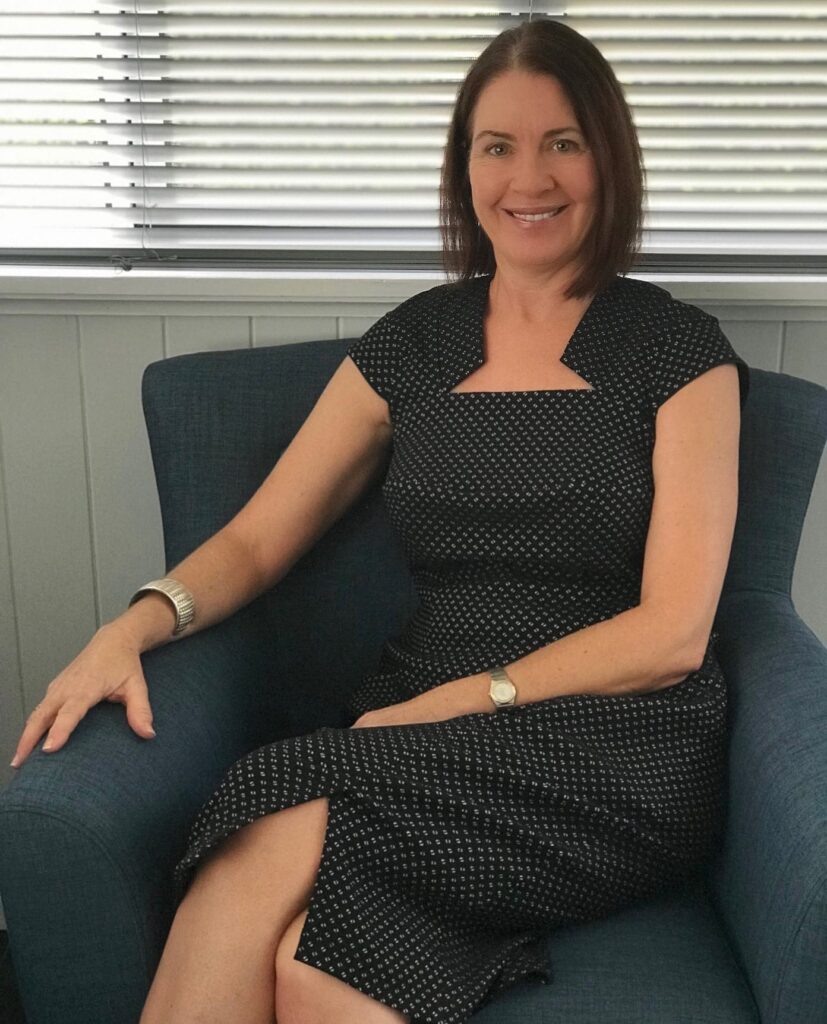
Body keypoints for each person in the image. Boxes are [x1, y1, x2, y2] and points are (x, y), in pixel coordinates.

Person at [10, 16, 750, 1024]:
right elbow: (257, 538)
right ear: (463, 168)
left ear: (608, 160)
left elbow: (671, 635)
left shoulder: (677, 351)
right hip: (422, 724)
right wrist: (131, 626)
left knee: (271, 814)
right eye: (497, 146)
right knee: (309, 968)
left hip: (616, 740)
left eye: (561, 142)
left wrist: (464, 701)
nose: (527, 178)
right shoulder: (413, 344)